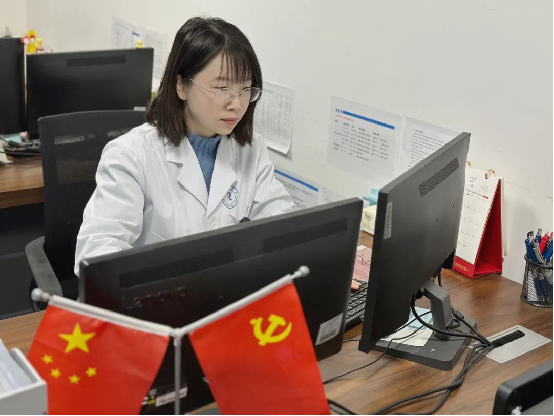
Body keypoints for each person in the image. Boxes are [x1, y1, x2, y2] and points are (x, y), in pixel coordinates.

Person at [74, 17, 360, 290]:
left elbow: (281, 225)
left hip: (228, 297)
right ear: (181, 85)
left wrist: (319, 263)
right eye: (222, 88)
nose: (237, 104)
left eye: (246, 89)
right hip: (160, 304)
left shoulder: (250, 149)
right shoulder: (130, 156)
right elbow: (97, 254)